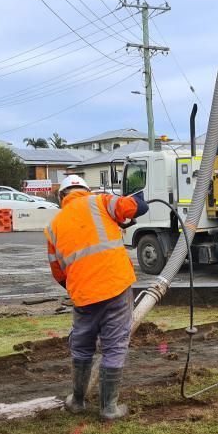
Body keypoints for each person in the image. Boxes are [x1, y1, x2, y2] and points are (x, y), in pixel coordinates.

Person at [45, 174, 148, 420]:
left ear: (62, 197)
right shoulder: (101, 202)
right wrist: (140, 199)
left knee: (81, 347)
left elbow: (58, 271)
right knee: (114, 345)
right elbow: (135, 207)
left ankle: (77, 401)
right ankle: (109, 408)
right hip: (116, 285)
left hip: (83, 294)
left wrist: (80, 285)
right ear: (85, 190)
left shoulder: (53, 226)